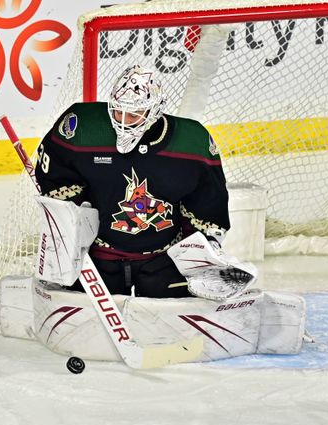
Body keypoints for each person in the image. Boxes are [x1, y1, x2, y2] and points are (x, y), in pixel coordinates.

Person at [33, 64, 254, 300]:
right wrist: (73, 215)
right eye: (119, 111)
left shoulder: (193, 144)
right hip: (95, 259)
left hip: (164, 260)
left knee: (171, 329)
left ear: (155, 111)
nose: (124, 121)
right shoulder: (82, 128)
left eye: (134, 114)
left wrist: (204, 249)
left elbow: (208, 203)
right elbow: (54, 173)